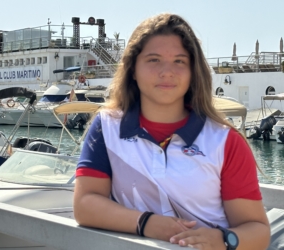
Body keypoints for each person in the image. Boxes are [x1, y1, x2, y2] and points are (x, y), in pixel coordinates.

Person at [73, 13, 270, 250]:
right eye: (154, 60)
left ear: (192, 72)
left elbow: (257, 231)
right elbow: (85, 204)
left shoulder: (225, 141)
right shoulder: (106, 126)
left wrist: (222, 239)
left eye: (179, 61)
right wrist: (147, 223)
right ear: (133, 69)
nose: (167, 71)